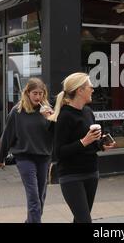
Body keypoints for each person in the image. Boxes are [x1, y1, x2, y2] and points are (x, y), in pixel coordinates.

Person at [49, 72, 115, 223]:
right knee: (85, 220)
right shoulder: (65, 116)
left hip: (91, 172)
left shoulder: (88, 112)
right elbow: (58, 153)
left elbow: (92, 144)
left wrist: (101, 145)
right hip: (71, 176)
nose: (93, 90)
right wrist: (83, 142)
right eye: (90, 87)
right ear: (80, 90)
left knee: (80, 220)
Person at [0, 78, 54, 223]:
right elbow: (7, 136)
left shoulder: (48, 111)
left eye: (41, 93)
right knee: (33, 197)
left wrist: (51, 119)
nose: (38, 97)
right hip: (24, 157)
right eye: (35, 93)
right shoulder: (17, 112)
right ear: (27, 93)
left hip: (44, 157)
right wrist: (1, 157)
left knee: (40, 197)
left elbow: (56, 134)